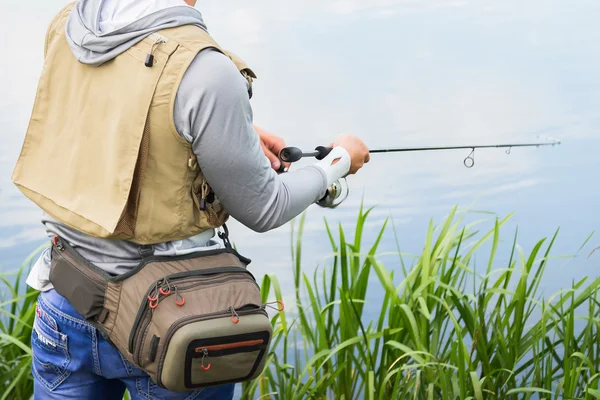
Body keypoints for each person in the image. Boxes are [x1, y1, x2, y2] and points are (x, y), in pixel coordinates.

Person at [11, 0, 370, 399]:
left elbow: (101, 114)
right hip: (170, 323)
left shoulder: (73, 25)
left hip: (68, 302)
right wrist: (337, 162)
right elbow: (265, 208)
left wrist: (228, 133)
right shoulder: (207, 72)